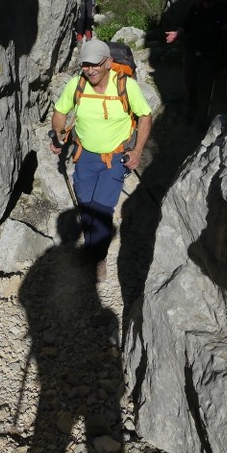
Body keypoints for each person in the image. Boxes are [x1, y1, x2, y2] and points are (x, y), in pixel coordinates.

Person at [49, 40, 152, 281]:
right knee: (86, 208)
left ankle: (97, 257)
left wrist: (136, 151)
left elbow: (145, 117)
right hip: (84, 155)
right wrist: (59, 132)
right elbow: (60, 111)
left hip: (116, 157)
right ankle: (94, 250)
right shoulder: (77, 85)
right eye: (85, 64)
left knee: (102, 211)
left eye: (95, 64)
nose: (90, 69)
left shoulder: (126, 86)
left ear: (107, 63)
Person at [165, 0, 227, 129]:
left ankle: (202, 118)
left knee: (206, 88)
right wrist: (176, 33)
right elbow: (185, 26)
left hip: (211, 55)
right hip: (191, 52)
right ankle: (191, 111)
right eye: (205, 0)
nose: (207, 4)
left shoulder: (223, 11)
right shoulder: (195, 8)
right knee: (190, 84)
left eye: (209, 1)